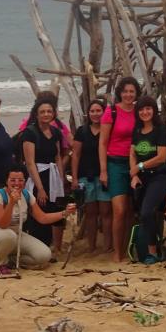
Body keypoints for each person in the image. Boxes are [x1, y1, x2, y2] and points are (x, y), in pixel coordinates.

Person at [0, 165, 76, 276]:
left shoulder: (26, 195)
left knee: (44, 255)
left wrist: (64, 213)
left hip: (15, 235)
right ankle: (0, 264)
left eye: (20, 180)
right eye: (13, 180)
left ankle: (11, 260)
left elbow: (42, 218)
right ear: (6, 181)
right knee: (8, 235)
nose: (17, 183)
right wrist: (11, 203)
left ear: (25, 181)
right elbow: (2, 224)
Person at [99, 76, 141, 262]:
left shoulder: (140, 111)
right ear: (120, 93)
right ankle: (117, 252)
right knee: (119, 210)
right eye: (125, 91)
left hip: (136, 164)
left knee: (132, 211)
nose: (128, 95)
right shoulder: (111, 112)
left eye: (132, 91)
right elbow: (102, 143)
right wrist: (103, 170)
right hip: (115, 164)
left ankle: (129, 248)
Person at [20, 95, 67, 257]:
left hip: (53, 177)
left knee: (54, 210)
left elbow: (58, 157)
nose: (46, 114)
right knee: (38, 213)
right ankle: (36, 250)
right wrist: (40, 188)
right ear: (37, 114)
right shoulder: (30, 133)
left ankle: (52, 248)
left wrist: (61, 180)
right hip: (37, 178)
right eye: (42, 112)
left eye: (49, 111)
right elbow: (30, 162)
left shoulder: (55, 132)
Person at [129, 95, 166, 264]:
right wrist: (135, 175)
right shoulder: (137, 131)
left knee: (147, 212)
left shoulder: (161, 130)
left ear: (154, 110)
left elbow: (162, 157)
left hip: (159, 177)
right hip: (142, 179)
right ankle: (150, 247)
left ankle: (153, 252)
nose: (145, 112)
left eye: (148, 108)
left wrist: (139, 167)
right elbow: (132, 153)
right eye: (141, 109)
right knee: (143, 214)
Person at [71, 99, 112, 254]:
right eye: (92, 111)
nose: (95, 114)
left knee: (106, 212)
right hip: (85, 177)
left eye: (98, 111)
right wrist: (74, 178)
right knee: (90, 213)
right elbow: (75, 155)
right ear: (88, 114)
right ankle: (92, 247)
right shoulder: (82, 131)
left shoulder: (108, 129)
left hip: (104, 176)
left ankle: (107, 246)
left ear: (104, 112)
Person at [18, 90, 72, 158]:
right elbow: (71, 144)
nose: (46, 114)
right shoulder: (58, 125)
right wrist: (69, 154)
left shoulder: (27, 123)